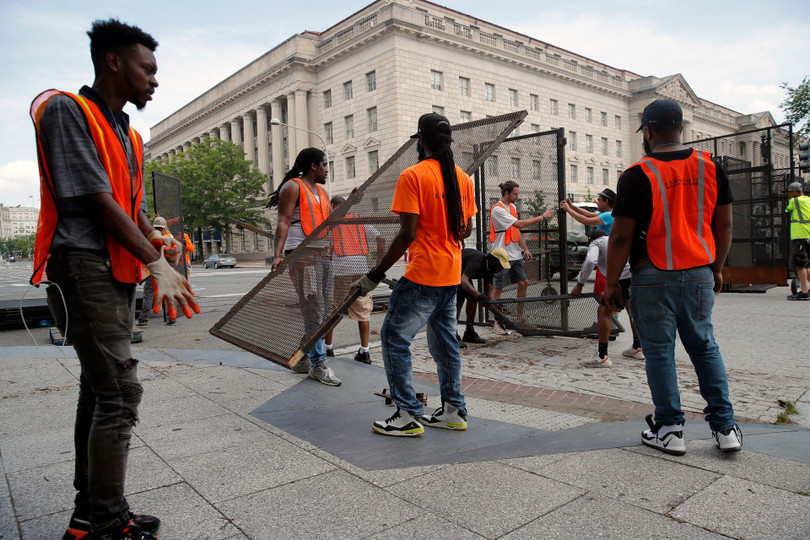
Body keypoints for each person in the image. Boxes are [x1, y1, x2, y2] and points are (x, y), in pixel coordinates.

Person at [29, 19, 199, 539]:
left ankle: (93, 511)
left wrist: (156, 241)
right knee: (121, 394)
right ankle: (102, 521)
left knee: (100, 391)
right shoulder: (66, 110)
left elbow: (130, 203)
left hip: (113, 270)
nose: (154, 80)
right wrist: (155, 263)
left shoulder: (128, 133)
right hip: (83, 267)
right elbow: (94, 198)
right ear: (114, 62)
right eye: (147, 69)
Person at [604, 98, 741, 456]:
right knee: (705, 347)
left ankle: (670, 429)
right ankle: (725, 429)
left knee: (660, 353)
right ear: (681, 127)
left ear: (648, 131)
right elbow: (724, 224)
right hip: (699, 272)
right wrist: (717, 268)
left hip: (652, 274)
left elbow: (620, 237)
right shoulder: (711, 167)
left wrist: (612, 282)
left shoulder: (637, 173)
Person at [351, 112, 477, 436]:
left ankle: (407, 414)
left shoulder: (413, 176)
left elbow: (406, 233)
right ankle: (453, 410)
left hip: (423, 274)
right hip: (451, 273)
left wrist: (375, 274)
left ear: (421, 141)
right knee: (446, 344)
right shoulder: (463, 178)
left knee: (394, 339)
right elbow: (468, 229)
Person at [271, 148, 341, 386]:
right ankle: (318, 364)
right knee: (314, 311)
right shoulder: (293, 187)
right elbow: (283, 221)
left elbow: (328, 223)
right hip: (302, 256)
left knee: (323, 311)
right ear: (313, 166)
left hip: (322, 253)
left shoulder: (320, 191)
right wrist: (277, 255)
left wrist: (352, 201)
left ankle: (302, 358)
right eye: (324, 165)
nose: (327, 170)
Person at [324, 195, 385, 363]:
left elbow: (325, 247)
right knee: (363, 312)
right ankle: (364, 351)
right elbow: (381, 239)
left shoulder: (331, 223)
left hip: (341, 271)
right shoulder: (359, 221)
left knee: (334, 311)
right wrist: (378, 266)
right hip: (361, 271)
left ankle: (328, 349)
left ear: (332, 206)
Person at [571, 229, 643, 367]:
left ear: (591, 239)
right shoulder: (616, 237)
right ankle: (637, 347)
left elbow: (591, 261)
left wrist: (580, 284)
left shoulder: (596, 243)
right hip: (633, 276)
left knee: (604, 311)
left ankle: (602, 356)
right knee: (632, 312)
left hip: (618, 279)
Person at [489, 181, 555, 318]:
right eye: (515, 193)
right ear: (507, 193)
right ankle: (496, 321)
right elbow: (518, 225)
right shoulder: (497, 209)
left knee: (524, 282)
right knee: (499, 288)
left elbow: (515, 230)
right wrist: (542, 217)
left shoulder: (512, 207)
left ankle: (519, 317)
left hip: (515, 253)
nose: (517, 196)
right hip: (502, 254)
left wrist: (525, 249)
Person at [456, 247, 507, 346]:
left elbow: (488, 291)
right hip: (453, 270)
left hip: (461, 273)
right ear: (493, 261)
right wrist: (479, 295)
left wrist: (496, 314)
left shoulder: (490, 269)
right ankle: (452, 335)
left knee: (473, 298)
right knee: (459, 300)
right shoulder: (477, 262)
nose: (501, 269)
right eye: (500, 265)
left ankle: (469, 332)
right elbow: (463, 280)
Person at [136, 216, 178, 326]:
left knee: (149, 294)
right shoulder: (169, 237)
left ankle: (143, 319)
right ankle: (171, 317)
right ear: (164, 228)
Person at [785, 181, 810, 301]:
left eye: (789, 192)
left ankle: (804, 292)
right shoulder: (808, 200)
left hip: (800, 235)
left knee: (800, 265)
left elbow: (787, 210)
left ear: (795, 192)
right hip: (808, 235)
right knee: (807, 265)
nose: (788, 194)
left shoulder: (795, 201)